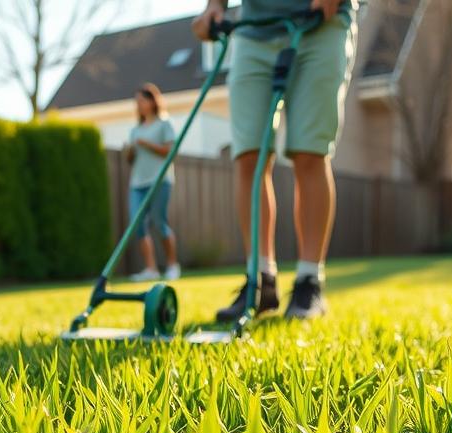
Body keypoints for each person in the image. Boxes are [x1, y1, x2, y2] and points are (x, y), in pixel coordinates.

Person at [192, 0, 358, 319]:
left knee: (309, 152)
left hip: (321, 25)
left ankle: (309, 281)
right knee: (248, 155)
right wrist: (215, 5)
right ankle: (260, 281)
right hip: (254, 31)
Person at [124, 83, 181, 282]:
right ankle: (151, 269)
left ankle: (173, 265)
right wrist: (130, 151)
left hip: (159, 180)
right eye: (136, 102)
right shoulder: (135, 130)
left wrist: (145, 144)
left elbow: (170, 152)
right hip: (137, 183)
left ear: (152, 101)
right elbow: (131, 160)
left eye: (142, 100)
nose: (138, 105)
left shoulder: (164, 124)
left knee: (159, 222)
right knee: (137, 224)